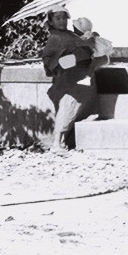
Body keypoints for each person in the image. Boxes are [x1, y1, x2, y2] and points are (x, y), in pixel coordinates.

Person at [40, 9, 96, 151]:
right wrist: (68, 60)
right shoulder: (55, 38)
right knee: (67, 107)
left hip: (80, 75)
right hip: (68, 79)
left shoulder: (70, 34)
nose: (62, 21)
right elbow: (48, 61)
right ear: (51, 21)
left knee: (73, 109)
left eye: (64, 18)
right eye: (58, 18)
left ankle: (63, 141)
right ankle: (56, 143)